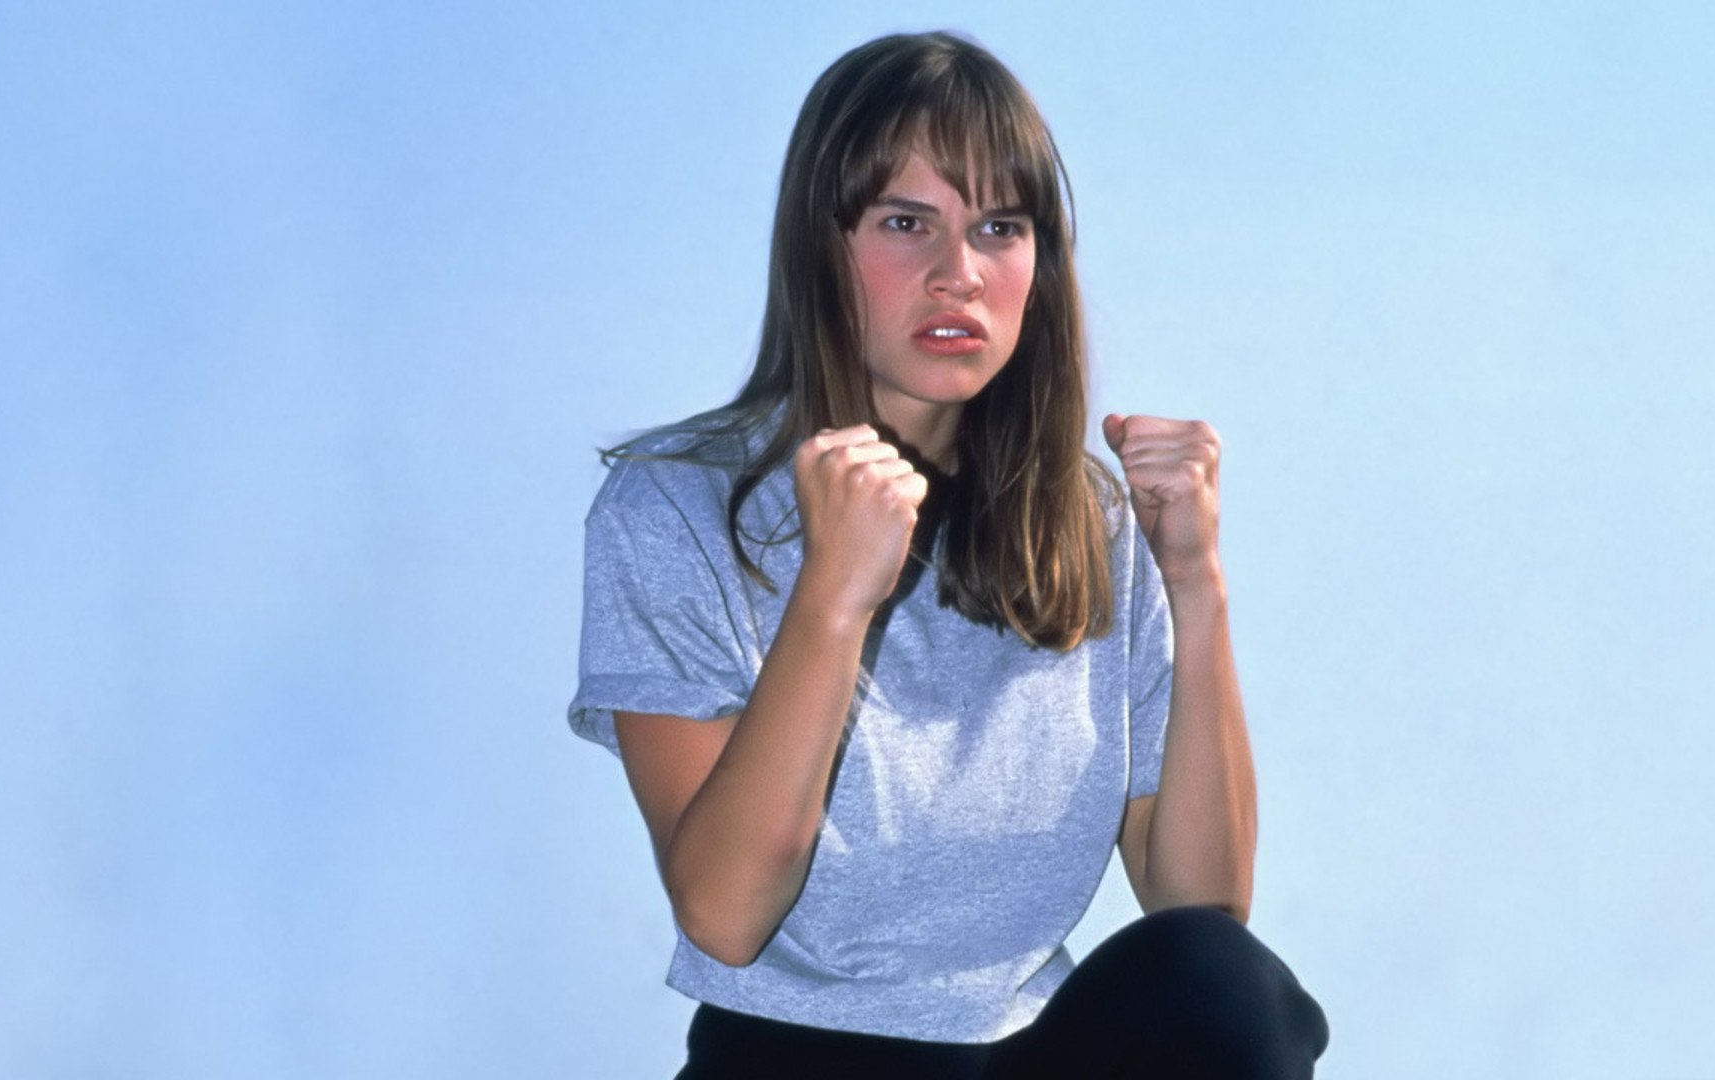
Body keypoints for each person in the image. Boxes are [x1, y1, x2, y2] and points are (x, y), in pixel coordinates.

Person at [568, 30, 1328, 1079]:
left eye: (999, 228)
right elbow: (726, 916)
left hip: (1013, 1056)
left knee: (1219, 984)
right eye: (905, 222)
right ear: (820, 246)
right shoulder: (676, 505)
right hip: (790, 1061)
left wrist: (1194, 586)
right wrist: (832, 594)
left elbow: (1201, 910)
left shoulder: (1090, 522)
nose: (957, 274)